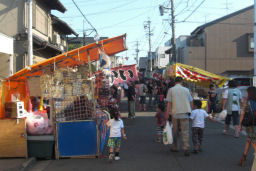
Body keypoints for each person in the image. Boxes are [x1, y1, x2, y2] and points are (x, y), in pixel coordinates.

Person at [165, 77, 193, 156]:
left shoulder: (171, 90)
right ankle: (186, 147)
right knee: (185, 131)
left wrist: (167, 113)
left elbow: (169, 103)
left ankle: (175, 147)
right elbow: (191, 101)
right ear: (181, 82)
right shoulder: (186, 90)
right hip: (185, 112)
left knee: (175, 131)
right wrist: (191, 111)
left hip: (175, 113)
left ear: (175, 82)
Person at [238, 87, 256, 168]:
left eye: (247, 92)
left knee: (252, 141)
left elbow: (242, 114)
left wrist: (240, 124)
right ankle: (243, 157)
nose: (246, 94)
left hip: (250, 124)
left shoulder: (247, 102)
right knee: (248, 140)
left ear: (250, 93)